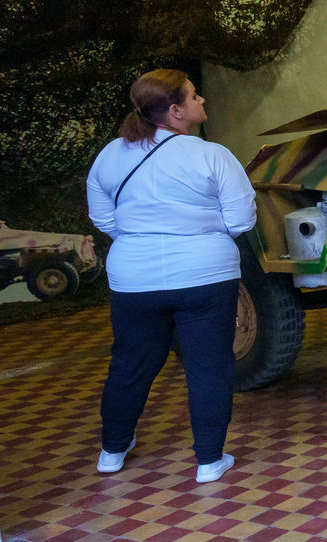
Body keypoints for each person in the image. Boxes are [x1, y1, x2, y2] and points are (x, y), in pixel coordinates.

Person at [85, 69, 256, 482]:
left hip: (133, 279)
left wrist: (141, 237)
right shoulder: (211, 155)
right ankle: (209, 461)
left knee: (130, 364)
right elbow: (241, 219)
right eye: (194, 96)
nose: (202, 101)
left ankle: (112, 451)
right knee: (208, 366)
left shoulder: (110, 155)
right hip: (205, 276)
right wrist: (201, 234)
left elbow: (103, 217)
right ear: (176, 111)